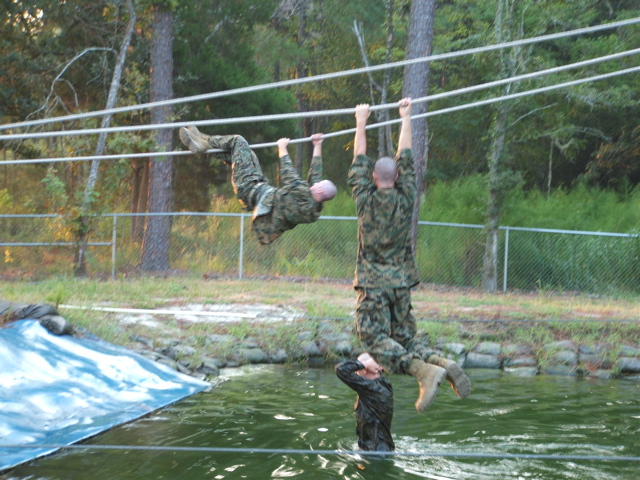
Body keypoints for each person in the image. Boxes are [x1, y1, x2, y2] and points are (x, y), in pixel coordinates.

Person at [348, 98, 471, 413]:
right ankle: (442, 363)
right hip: (401, 281)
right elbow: (406, 157)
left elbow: (359, 156)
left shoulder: (364, 198)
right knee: (404, 337)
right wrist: (407, 116)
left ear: (373, 179)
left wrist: (361, 120)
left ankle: (424, 371)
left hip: (373, 282)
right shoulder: (407, 196)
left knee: (374, 339)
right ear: (397, 179)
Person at [179, 126, 337, 245]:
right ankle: (201, 143)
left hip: (248, 187)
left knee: (238, 141)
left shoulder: (302, 194)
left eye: (318, 184)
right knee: (244, 153)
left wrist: (282, 148)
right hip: (256, 187)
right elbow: (315, 175)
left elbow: (289, 175)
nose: (315, 183)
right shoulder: (312, 207)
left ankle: (203, 140)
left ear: (320, 190)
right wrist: (317, 145)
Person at [335, 352, 394, 452]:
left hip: (374, 452)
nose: (356, 370)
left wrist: (366, 364)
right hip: (379, 448)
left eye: (358, 366)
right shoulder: (381, 385)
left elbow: (341, 370)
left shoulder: (373, 389)